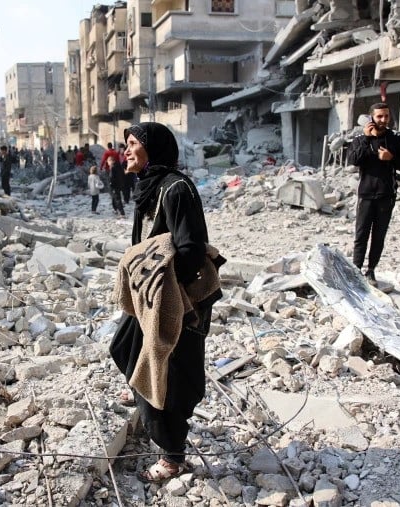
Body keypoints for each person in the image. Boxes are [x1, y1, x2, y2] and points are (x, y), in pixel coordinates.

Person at [109, 122, 224, 483]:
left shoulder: (176, 190)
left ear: (152, 149)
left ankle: (173, 455)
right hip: (152, 296)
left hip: (175, 299)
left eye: (132, 144)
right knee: (124, 346)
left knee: (169, 373)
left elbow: (191, 248)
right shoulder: (150, 188)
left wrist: (169, 293)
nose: (125, 151)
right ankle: (143, 395)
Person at [347, 102, 400, 285]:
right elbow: (353, 160)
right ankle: (356, 269)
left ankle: (371, 270)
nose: (383, 120)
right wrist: (366, 139)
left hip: (386, 194)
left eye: (386, 116)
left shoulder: (396, 139)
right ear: (371, 117)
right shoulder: (360, 139)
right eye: (379, 116)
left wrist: (391, 158)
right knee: (361, 234)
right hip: (366, 194)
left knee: (379, 235)